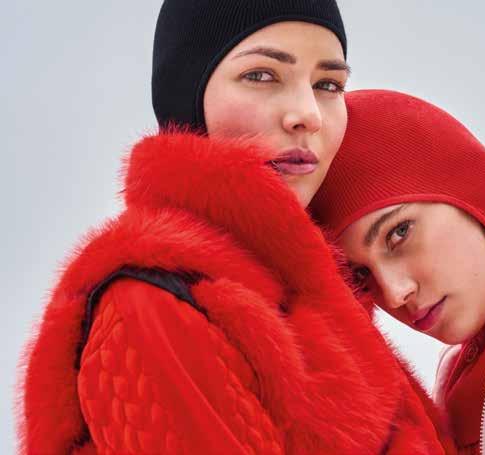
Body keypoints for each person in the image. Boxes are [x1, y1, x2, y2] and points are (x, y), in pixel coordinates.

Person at [16, 3, 455, 454]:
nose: (308, 114)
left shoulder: (319, 297)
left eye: (328, 84)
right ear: (188, 97)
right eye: (261, 76)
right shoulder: (152, 302)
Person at [311, 89, 485, 454]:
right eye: (361, 275)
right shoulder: (457, 388)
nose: (394, 293)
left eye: (399, 233)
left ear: (467, 185)